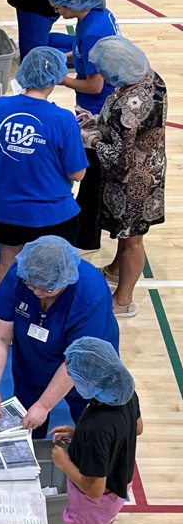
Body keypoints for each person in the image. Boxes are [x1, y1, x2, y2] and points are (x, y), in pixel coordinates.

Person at [40, 337, 141, 524]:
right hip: (115, 490)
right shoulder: (124, 393)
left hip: (94, 501)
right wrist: (79, 433)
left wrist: (64, 461)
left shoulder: (100, 427)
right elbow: (136, 428)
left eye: (74, 373)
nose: (71, 376)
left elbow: (93, 488)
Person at [0, 235, 120, 438]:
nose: (36, 292)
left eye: (46, 288)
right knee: (28, 424)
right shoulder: (18, 276)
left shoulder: (91, 294)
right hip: (32, 364)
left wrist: (45, 405)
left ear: (67, 279)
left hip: (86, 373)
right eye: (30, 285)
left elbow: (77, 363)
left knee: (91, 429)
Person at [0, 47, 89, 287]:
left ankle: (4, 315)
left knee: (7, 262)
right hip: (50, 215)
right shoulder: (64, 119)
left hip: (3, 211)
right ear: (56, 77)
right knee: (53, 273)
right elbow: (77, 174)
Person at [83, 37, 167, 318]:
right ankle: (116, 271)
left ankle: (122, 300)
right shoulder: (150, 77)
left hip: (134, 181)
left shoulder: (130, 108)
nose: (105, 76)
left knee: (133, 239)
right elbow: (129, 133)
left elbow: (119, 160)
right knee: (126, 233)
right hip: (151, 165)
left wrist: (91, 140)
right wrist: (97, 121)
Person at [45, 0, 122, 250]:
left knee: (91, 180)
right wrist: (61, 58)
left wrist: (58, 77)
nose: (57, 11)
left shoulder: (91, 32)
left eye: (60, 6)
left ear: (76, 1)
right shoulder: (97, 16)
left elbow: (93, 84)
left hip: (97, 110)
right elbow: (84, 55)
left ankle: (85, 237)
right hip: (102, 103)